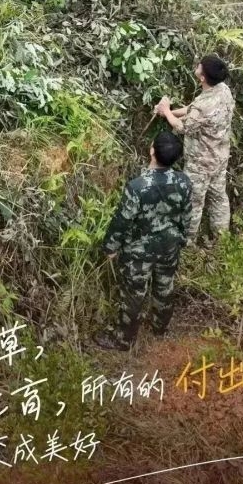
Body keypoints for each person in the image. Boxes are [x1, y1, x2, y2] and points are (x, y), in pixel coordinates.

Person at [95, 130, 192, 351]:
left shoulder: (138, 186)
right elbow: (187, 215)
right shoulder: (184, 182)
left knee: (134, 294)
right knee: (165, 286)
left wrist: (110, 247)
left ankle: (124, 339)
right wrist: (183, 238)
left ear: (152, 151)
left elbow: (122, 220)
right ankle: (160, 327)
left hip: (139, 251)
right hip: (169, 246)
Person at [154, 54, 234, 245]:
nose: (198, 65)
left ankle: (188, 242)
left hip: (201, 163)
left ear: (202, 77)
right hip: (220, 157)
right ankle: (222, 239)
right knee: (218, 198)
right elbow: (193, 109)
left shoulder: (203, 106)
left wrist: (166, 111)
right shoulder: (223, 90)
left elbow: (184, 127)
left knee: (193, 202)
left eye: (200, 66)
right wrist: (169, 113)